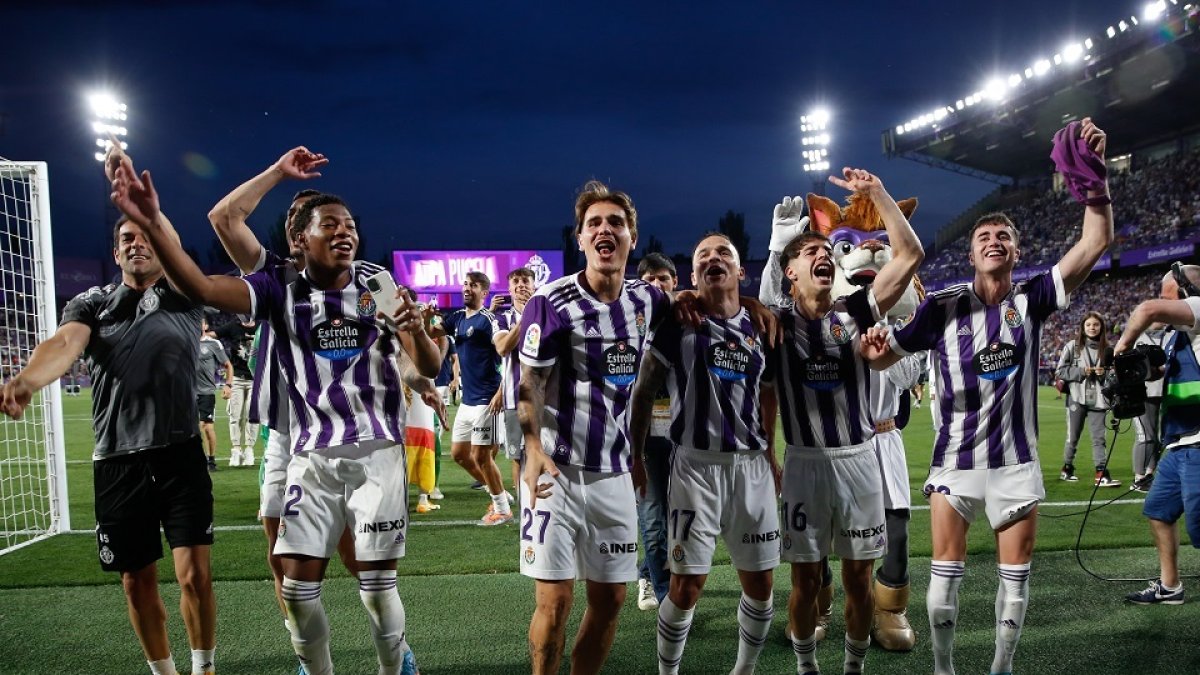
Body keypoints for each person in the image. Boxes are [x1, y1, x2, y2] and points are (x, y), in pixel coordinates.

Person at [112, 156, 441, 675]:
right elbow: (201, 280)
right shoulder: (276, 285)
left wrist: (416, 335)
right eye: (328, 224)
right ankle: (316, 667)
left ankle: (394, 664)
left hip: (376, 448)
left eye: (350, 225)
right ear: (299, 241)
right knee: (293, 581)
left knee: (375, 585)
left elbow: (426, 363)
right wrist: (154, 223)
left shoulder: (378, 282)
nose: (344, 232)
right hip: (300, 446)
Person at [884, 119, 1112, 675]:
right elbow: (884, 353)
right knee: (942, 585)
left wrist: (1097, 186)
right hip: (955, 462)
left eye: (1003, 236)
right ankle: (944, 668)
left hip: (1015, 463)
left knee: (1016, 581)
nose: (992, 241)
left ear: (1016, 250)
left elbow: (1095, 242)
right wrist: (869, 345)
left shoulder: (1033, 300)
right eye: (983, 236)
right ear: (970, 254)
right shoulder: (941, 307)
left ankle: (1001, 667)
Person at [2, 211, 218, 675]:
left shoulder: (185, 293)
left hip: (180, 454)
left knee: (195, 577)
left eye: (147, 237)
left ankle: (204, 667)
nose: (137, 244)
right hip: (118, 461)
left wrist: (144, 205)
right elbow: (64, 345)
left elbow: (170, 240)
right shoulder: (91, 302)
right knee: (135, 581)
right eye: (126, 238)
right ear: (116, 251)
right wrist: (27, 381)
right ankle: (164, 671)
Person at [206, 148, 366, 670]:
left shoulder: (360, 281)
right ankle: (307, 652)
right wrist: (277, 173)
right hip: (284, 433)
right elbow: (225, 217)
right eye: (302, 217)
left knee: (356, 554)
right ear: (295, 234)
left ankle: (392, 640)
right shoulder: (271, 276)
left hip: (341, 434)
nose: (312, 226)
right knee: (281, 554)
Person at [763, 167, 924, 675]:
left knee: (859, 579)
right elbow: (749, 300)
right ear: (791, 273)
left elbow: (910, 257)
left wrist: (879, 192)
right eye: (810, 253)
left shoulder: (857, 310)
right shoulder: (777, 324)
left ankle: (853, 668)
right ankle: (807, 668)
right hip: (805, 465)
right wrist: (776, 247)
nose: (823, 257)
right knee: (806, 581)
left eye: (825, 252)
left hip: (859, 460)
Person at [517, 180, 672, 675]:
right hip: (556, 471)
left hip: (613, 476)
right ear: (580, 239)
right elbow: (531, 383)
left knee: (611, 600)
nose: (605, 230)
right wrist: (532, 446)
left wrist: (639, 454)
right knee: (556, 602)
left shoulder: (650, 302)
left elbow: (647, 386)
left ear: (632, 237)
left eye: (616, 223)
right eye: (594, 225)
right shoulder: (552, 300)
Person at [630, 233, 780, 675]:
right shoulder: (678, 321)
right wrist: (636, 456)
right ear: (693, 277)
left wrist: (771, 453)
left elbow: (767, 394)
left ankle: (744, 671)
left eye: (724, 254)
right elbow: (642, 392)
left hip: (752, 467)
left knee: (761, 584)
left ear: (740, 271)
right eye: (703, 257)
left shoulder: (762, 324)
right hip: (695, 467)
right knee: (687, 585)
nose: (714, 258)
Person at [1115, 263, 1200, 606]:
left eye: (1163, 289)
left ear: (1181, 291)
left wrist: (1122, 347)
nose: (1156, 296)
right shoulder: (1178, 334)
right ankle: (1170, 586)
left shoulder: (1198, 308)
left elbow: (1148, 309)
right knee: (1159, 511)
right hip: (1180, 442)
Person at [437, 271, 512, 525]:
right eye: (466, 284)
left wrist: (502, 391)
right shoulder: (456, 318)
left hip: (487, 400)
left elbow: (504, 351)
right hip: (468, 401)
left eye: (474, 285)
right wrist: (422, 319)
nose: (468, 288)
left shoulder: (488, 319)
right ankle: (498, 490)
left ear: (484, 292)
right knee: (459, 454)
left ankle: (501, 508)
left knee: (482, 456)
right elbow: (431, 331)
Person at [634, 252, 678, 611]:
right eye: (649, 280)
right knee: (651, 515)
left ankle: (649, 572)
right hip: (644, 438)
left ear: (675, 282)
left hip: (683, 436)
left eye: (663, 278)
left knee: (680, 517)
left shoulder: (689, 318)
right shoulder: (629, 324)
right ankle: (658, 587)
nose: (657, 285)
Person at [1056, 311, 1118, 486]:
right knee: (1073, 437)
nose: (1092, 328)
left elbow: (1114, 377)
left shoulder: (1108, 348)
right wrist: (1081, 372)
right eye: (1089, 325)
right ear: (1083, 327)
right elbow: (1060, 372)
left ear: (1101, 327)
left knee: (1099, 438)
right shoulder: (1072, 346)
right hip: (1076, 398)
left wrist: (1103, 375)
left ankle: (1101, 472)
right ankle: (1067, 468)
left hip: (1098, 400)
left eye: (1096, 325)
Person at [492, 267, 536, 497]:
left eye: (525, 281)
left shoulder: (547, 314)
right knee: (518, 458)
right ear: (509, 289)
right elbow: (502, 347)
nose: (520, 285)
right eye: (515, 281)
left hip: (544, 400)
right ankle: (523, 510)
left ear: (534, 285)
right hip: (513, 400)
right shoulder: (501, 318)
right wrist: (528, 317)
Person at [212, 317, 259, 466]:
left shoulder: (262, 326)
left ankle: (249, 449)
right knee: (235, 415)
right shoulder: (233, 326)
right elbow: (214, 334)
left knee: (252, 416)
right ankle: (236, 450)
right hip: (237, 377)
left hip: (256, 378)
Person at [1132, 324, 1170, 492]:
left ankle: (1149, 474)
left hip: (1169, 390)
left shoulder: (1173, 334)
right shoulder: (1135, 337)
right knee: (1145, 436)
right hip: (1143, 392)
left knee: (1161, 437)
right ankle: (1138, 477)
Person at [197, 317, 233, 471]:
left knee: (206, 426)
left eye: (201, 322)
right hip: (186, 393)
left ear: (205, 326)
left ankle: (211, 460)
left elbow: (227, 365)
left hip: (206, 392)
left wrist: (228, 384)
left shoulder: (213, 344)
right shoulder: (184, 341)